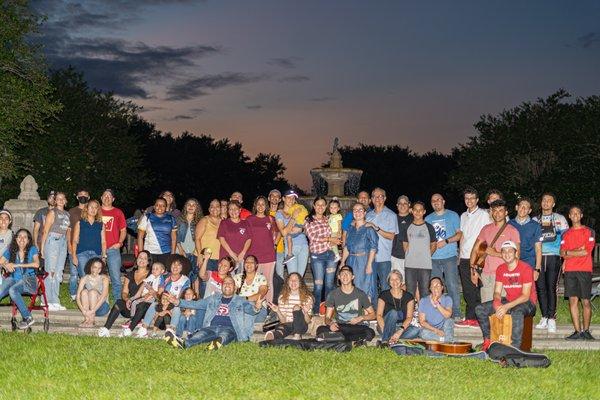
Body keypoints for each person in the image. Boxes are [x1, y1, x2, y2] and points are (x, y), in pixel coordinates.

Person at [163, 275, 262, 350]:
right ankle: (183, 343)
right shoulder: (213, 298)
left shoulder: (240, 300)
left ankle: (216, 344)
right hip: (211, 327)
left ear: (235, 288)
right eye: (225, 283)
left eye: (230, 283)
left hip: (229, 328)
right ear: (222, 287)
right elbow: (196, 304)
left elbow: (251, 311)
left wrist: (257, 307)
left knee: (225, 336)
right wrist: (178, 302)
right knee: (199, 335)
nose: (227, 285)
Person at [475, 241, 537, 350]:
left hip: (527, 303)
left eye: (510, 251)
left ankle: (515, 348)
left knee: (516, 311)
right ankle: (488, 340)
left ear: (516, 253)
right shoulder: (501, 269)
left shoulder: (526, 268)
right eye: (504, 251)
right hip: (509, 301)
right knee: (480, 309)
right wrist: (497, 303)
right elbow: (497, 292)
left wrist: (506, 307)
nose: (507, 254)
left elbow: (525, 296)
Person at [470, 199, 520, 303]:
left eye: (500, 210)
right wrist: (472, 270)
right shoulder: (486, 229)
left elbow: (517, 256)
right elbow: (475, 249)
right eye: (495, 210)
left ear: (506, 212)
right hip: (486, 274)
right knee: (486, 308)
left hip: (504, 274)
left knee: (503, 308)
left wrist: (495, 254)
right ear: (491, 212)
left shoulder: (512, 230)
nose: (497, 213)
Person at [532, 193, 569, 333]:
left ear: (553, 204)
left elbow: (566, 240)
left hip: (554, 257)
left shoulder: (560, 219)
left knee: (551, 287)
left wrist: (565, 258)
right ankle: (544, 316)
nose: (546, 202)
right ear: (541, 203)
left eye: (549, 201)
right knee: (540, 287)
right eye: (544, 200)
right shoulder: (535, 220)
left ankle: (552, 318)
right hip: (539, 257)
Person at [560, 206, 596, 340]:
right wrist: (576, 250)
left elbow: (586, 251)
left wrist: (570, 252)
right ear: (569, 216)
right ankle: (577, 331)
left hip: (584, 270)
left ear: (581, 215)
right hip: (570, 270)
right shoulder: (565, 233)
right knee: (573, 301)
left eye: (577, 213)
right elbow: (562, 253)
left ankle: (586, 331)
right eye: (572, 213)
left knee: (585, 301)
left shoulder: (589, 231)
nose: (575, 215)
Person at [316, 266, 376, 344]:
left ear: (352, 277)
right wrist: (331, 324)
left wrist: (360, 318)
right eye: (342, 274)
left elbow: (373, 315)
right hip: (340, 326)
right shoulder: (333, 294)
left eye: (347, 274)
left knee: (370, 332)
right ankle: (353, 340)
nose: (345, 276)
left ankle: (339, 339)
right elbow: (327, 318)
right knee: (321, 329)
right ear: (339, 277)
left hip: (356, 326)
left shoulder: (360, 294)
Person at [425, 193, 462, 319]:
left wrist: (446, 241)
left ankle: (456, 312)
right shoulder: (428, 219)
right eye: (433, 200)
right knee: (435, 287)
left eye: (438, 200)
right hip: (433, 258)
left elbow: (459, 235)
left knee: (452, 285)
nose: (436, 202)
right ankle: (437, 312)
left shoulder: (453, 215)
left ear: (443, 201)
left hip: (449, 256)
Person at [456, 188, 490, 328]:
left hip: (478, 255)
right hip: (464, 256)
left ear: (477, 200)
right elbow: (463, 236)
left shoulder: (483, 214)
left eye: (472, 198)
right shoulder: (463, 216)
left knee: (477, 287)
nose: (469, 201)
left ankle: (478, 317)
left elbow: (488, 235)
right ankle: (470, 317)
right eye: (467, 198)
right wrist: (459, 254)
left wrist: (482, 256)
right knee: (467, 288)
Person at [98, 251, 152, 337]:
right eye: (140, 257)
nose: (142, 260)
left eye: (145, 258)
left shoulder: (152, 275)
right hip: (131, 307)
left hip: (144, 308)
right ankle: (106, 329)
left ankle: (129, 329)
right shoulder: (130, 274)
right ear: (136, 260)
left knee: (143, 304)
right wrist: (127, 300)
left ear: (148, 261)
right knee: (119, 302)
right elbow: (124, 292)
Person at [138, 258, 190, 337]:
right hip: (163, 303)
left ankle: (171, 331)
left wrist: (171, 302)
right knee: (154, 304)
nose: (175, 267)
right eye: (173, 264)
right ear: (170, 265)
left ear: (182, 267)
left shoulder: (185, 280)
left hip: (175, 304)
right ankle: (143, 329)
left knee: (176, 307)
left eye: (178, 265)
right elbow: (159, 294)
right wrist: (154, 294)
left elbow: (182, 297)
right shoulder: (165, 277)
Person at [305, 197, 341, 313]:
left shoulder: (328, 219)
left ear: (326, 207)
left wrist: (338, 235)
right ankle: (315, 312)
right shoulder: (309, 220)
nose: (320, 207)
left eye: (323, 205)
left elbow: (336, 232)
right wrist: (330, 238)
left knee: (330, 285)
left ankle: (328, 312)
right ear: (314, 206)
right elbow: (313, 237)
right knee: (319, 285)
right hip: (317, 256)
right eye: (318, 205)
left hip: (330, 254)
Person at [0, 229, 40, 329]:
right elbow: (1, 261)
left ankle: (27, 317)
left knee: (12, 290)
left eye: (25, 237)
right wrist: (6, 265)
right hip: (13, 278)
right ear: (16, 238)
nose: (22, 239)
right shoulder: (11, 249)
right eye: (19, 236)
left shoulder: (32, 249)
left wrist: (17, 265)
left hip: (29, 280)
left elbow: (36, 264)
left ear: (28, 240)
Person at [365, 187, 399, 306]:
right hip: (370, 258)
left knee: (385, 286)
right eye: (375, 196)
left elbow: (391, 236)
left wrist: (376, 227)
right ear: (372, 199)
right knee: (371, 286)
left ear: (385, 198)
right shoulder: (367, 215)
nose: (378, 199)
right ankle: (374, 311)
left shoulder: (391, 215)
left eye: (381, 196)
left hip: (384, 257)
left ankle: (386, 310)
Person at [40, 191, 71, 311]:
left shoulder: (67, 215)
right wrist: (42, 248)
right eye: (58, 198)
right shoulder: (52, 212)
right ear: (55, 201)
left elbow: (68, 232)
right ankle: (45, 300)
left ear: (66, 201)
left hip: (62, 242)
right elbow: (45, 231)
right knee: (50, 271)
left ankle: (55, 301)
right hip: (52, 240)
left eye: (63, 198)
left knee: (59, 272)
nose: (61, 200)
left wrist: (68, 246)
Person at [342, 202, 378, 303]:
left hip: (364, 260)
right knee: (351, 286)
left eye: (360, 210)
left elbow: (373, 248)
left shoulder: (369, 229)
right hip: (351, 261)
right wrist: (342, 262)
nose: (357, 212)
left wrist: (369, 264)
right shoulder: (350, 229)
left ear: (365, 213)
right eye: (355, 210)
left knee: (366, 286)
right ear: (352, 213)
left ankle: (367, 314)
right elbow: (347, 247)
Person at [401, 201, 436, 301]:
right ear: (412, 211)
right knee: (410, 291)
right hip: (410, 265)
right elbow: (405, 245)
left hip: (425, 265)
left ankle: (423, 315)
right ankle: (410, 314)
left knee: (424, 291)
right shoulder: (407, 227)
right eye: (415, 210)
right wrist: (410, 255)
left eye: (420, 210)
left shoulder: (429, 227)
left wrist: (427, 255)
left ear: (424, 211)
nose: (418, 212)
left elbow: (433, 244)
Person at [401, 277, 454, 342]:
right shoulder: (424, 301)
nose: (435, 287)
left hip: (444, 327)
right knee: (423, 333)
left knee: (449, 321)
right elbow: (422, 322)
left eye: (438, 285)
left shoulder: (447, 298)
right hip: (430, 329)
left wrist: (437, 303)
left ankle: (445, 340)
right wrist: (436, 330)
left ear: (442, 287)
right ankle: (447, 340)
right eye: (433, 286)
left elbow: (448, 315)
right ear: (430, 288)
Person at [265, 272, 314, 340]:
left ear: (300, 283)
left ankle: (297, 335)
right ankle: (273, 336)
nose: (293, 282)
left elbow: (308, 321)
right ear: (288, 283)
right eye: (291, 280)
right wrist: (278, 311)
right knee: (281, 329)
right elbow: (283, 321)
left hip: (301, 326)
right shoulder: (282, 298)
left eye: (296, 280)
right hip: (287, 325)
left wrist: (305, 312)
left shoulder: (307, 298)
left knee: (296, 307)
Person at [71, 200, 106, 295]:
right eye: (91, 207)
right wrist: (74, 255)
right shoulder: (80, 223)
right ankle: (85, 297)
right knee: (85, 277)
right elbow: (74, 240)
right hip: (82, 253)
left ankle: (94, 297)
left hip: (96, 254)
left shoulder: (101, 224)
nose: (93, 209)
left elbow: (103, 241)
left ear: (98, 210)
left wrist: (104, 256)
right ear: (86, 208)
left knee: (95, 277)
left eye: (96, 207)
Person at [247, 196, 277, 302]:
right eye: (258, 204)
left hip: (268, 255)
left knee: (268, 282)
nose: (260, 206)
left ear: (266, 206)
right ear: (255, 206)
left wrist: (275, 245)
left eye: (263, 204)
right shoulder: (249, 219)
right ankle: (256, 305)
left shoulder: (270, 219)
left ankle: (268, 306)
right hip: (253, 255)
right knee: (254, 281)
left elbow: (277, 233)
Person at [100, 189, 127, 301]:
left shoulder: (118, 212)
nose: (107, 197)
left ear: (113, 199)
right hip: (97, 249)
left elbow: (123, 230)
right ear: (101, 198)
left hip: (112, 249)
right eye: (105, 195)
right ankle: (99, 300)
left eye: (109, 196)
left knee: (115, 277)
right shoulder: (96, 211)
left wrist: (120, 243)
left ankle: (118, 302)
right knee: (97, 276)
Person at [275, 190, 309, 276]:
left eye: (293, 198)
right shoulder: (279, 213)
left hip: (304, 246)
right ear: (283, 198)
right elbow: (284, 233)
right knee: (293, 277)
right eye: (289, 197)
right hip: (291, 248)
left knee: (300, 278)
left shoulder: (299, 210)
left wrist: (301, 229)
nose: (291, 200)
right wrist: (293, 218)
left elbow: (307, 230)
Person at [138, 197, 178, 267]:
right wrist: (141, 253)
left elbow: (174, 239)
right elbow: (140, 237)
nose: (160, 207)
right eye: (157, 205)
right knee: (149, 274)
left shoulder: (171, 218)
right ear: (154, 206)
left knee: (164, 275)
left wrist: (173, 254)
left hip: (166, 253)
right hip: (149, 252)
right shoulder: (147, 217)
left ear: (166, 207)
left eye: (163, 206)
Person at [376, 270, 414, 344]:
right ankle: (385, 342)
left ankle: (393, 338)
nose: (394, 281)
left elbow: (409, 317)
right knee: (394, 313)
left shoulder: (409, 296)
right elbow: (379, 315)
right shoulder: (383, 295)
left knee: (415, 330)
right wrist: (385, 329)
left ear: (401, 281)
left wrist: (399, 331)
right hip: (384, 325)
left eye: (397, 279)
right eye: (392, 279)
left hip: (400, 327)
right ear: (389, 282)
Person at [195, 199, 221, 295]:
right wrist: (200, 256)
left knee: (215, 286)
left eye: (217, 206)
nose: (215, 208)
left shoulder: (222, 221)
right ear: (209, 209)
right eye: (212, 206)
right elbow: (197, 238)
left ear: (220, 208)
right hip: (206, 258)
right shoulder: (205, 220)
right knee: (204, 285)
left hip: (218, 259)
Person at [217, 200, 252, 273]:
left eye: (235, 209)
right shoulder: (224, 223)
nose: (233, 211)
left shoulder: (246, 223)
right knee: (227, 281)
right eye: (231, 209)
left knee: (240, 280)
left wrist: (243, 253)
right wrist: (232, 254)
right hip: (227, 257)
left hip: (242, 257)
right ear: (228, 211)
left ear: (240, 210)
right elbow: (221, 239)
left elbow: (249, 239)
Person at [67, 188, 90, 301]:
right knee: (73, 273)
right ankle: (73, 294)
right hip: (74, 246)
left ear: (89, 197)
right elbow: (69, 230)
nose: (83, 197)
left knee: (85, 272)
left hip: (86, 247)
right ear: (77, 197)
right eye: (80, 195)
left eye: (85, 195)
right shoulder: (72, 211)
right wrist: (69, 246)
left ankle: (85, 293)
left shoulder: (92, 211)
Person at [508, 197, 542, 271]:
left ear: (529, 211)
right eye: (521, 206)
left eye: (526, 207)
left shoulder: (535, 225)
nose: (523, 209)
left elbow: (538, 248)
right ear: (516, 207)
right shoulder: (509, 224)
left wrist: (537, 269)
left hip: (529, 263)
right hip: (511, 262)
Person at [176, 198, 203, 291]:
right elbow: (175, 236)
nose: (191, 206)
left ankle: (195, 296)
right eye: (189, 204)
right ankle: (181, 295)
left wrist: (198, 252)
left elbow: (200, 238)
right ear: (185, 207)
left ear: (197, 208)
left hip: (194, 252)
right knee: (181, 275)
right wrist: (180, 249)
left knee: (194, 275)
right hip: (180, 251)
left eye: (193, 205)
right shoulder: (179, 219)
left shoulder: (200, 221)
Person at [76, 257, 110, 327]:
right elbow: (78, 297)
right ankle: (87, 319)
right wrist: (83, 311)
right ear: (90, 267)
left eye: (99, 268)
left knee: (92, 292)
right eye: (95, 267)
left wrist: (92, 311)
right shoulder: (84, 278)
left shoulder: (104, 278)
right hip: (87, 310)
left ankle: (92, 320)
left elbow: (104, 297)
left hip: (102, 308)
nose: (97, 270)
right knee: (84, 292)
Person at [233, 255, 269, 321]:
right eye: (247, 262)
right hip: (240, 307)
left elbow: (261, 294)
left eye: (252, 262)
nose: (249, 264)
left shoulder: (261, 278)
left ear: (256, 265)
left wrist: (245, 299)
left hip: (257, 306)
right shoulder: (237, 277)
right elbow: (232, 294)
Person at [267, 189, 284, 302]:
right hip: (265, 250)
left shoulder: (282, 213)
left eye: (277, 196)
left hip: (280, 250)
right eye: (272, 196)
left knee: (280, 276)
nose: (274, 198)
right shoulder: (263, 212)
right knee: (267, 276)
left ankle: (278, 301)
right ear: (269, 198)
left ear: (280, 199)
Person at [390, 195, 413, 277]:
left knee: (412, 284)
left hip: (412, 257)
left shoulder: (415, 218)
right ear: (397, 205)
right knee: (397, 282)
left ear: (409, 204)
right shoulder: (392, 218)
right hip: (395, 257)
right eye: (400, 203)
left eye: (405, 203)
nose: (402, 205)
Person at [0, 209, 14, 286]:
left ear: (10, 221)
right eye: (1, 218)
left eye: (6, 218)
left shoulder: (13, 236)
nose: (3, 221)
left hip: (5, 263)